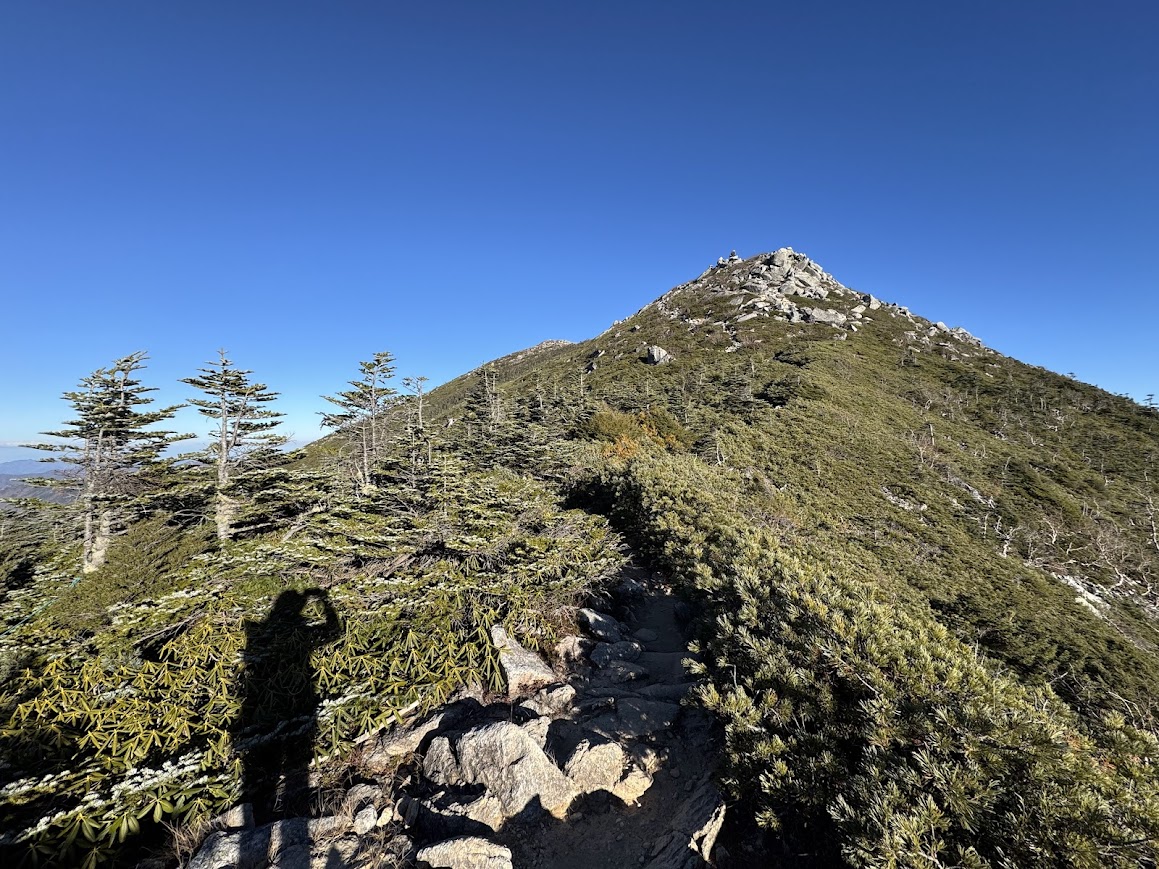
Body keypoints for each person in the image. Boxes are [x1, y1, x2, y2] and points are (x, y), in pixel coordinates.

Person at [235, 589, 341, 823]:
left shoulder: (261, 630)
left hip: (270, 702)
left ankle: (267, 807)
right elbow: (334, 631)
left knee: (269, 754)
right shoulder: (302, 632)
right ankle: (289, 808)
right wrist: (324, 602)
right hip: (298, 694)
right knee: (295, 754)